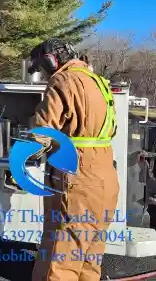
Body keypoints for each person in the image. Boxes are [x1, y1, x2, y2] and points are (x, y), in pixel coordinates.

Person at [27, 38, 120, 281]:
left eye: (43, 68)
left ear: (51, 60)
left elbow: (42, 132)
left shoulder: (62, 80)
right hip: (105, 176)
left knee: (61, 257)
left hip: (78, 176)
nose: (46, 75)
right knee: (90, 255)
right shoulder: (98, 81)